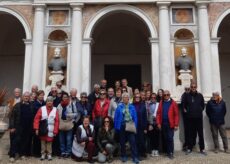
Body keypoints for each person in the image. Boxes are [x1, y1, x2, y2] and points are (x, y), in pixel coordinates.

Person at [114, 92, 139, 164]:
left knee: (133, 142)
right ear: (122, 98)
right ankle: (123, 156)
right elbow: (116, 117)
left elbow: (135, 117)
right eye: (124, 97)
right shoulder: (119, 107)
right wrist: (116, 127)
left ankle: (135, 157)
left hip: (130, 125)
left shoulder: (132, 107)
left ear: (128, 98)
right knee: (122, 142)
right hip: (122, 126)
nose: (125, 98)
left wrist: (135, 126)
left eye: (126, 97)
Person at [9, 92, 34, 162]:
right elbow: (12, 117)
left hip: (28, 127)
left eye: (28, 96)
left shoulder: (31, 105)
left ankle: (22, 154)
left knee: (24, 142)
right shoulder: (17, 105)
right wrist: (12, 127)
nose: (26, 97)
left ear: (29, 97)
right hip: (18, 127)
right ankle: (12, 155)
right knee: (15, 141)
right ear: (22, 97)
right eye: (25, 96)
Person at [182, 83, 206, 155]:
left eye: (194, 87)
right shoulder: (187, 95)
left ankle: (202, 149)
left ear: (196, 87)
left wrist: (199, 110)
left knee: (200, 134)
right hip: (190, 118)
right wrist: (186, 110)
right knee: (190, 134)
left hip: (198, 117)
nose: (193, 88)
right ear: (190, 87)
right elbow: (184, 105)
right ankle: (189, 148)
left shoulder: (200, 95)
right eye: (192, 87)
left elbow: (202, 105)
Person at [34, 96, 59, 161]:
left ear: (52, 102)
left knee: (49, 143)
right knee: (43, 142)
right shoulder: (41, 109)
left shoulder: (55, 109)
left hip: (51, 129)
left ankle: (49, 154)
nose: (49, 102)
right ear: (46, 102)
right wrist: (36, 128)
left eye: (51, 101)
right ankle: (43, 154)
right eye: (48, 101)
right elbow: (36, 119)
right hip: (42, 129)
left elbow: (57, 121)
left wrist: (55, 131)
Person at [156, 90, 179, 159]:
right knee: (166, 138)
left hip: (170, 124)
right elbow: (158, 113)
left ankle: (171, 152)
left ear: (169, 95)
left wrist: (176, 124)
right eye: (165, 95)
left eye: (167, 95)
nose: (166, 96)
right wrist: (158, 123)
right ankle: (168, 152)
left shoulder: (173, 103)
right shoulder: (161, 102)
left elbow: (176, 115)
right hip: (163, 123)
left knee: (170, 138)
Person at [57, 93, 75, 158]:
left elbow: (76, 114)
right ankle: (63, 152)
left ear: (68, 97)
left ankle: (68, 152)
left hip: (69, 124)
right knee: (61, 140)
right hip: (61, 124)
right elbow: (57, 114)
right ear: (62, 98)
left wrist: (69, 115)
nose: (65, 98)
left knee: (68, 139)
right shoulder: (59, 105)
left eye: (66, 97)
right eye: (63, 97)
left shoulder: (72, 104)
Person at [7, 88, 21, 162]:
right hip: (12, 121)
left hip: (19, 122)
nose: (17, 93)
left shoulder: (22, 100)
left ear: (20, 93)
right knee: (12, 137)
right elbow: (8, 112)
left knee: (18, 138)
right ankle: (11, 152)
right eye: (15, 92)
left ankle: (17, 151)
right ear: (14, 93)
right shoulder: (10, 101)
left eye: (18, 92)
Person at [133, 93, 148, 159]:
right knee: (135, 141)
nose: (137, 98)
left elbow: (145, 117)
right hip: (134, 126)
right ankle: (137, 154)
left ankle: (142, 152)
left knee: (141, 141)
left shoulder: (143, 106)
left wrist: (145, 128)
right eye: (136, 97)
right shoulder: (131, 106)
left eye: (138, 97)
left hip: (141, 126)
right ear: (134, 98)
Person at [32, 90, 46, 157]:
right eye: (40, 95)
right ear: (37, 96)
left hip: (43, 123)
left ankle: (42, 152)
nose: (41, 96)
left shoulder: (45, 103)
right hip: (37, 123)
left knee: (42, 138)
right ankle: (36, 152)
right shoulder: (34, 103)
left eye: (43, 95)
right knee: (36, 138)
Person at [180, 86, 190, 151]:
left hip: (192, 115)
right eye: (186, 89)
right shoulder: (183, 95)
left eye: (188, 89)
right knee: (187, 130)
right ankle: (186, 144)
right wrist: (184, 109)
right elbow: (182, 105)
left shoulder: (192, 95)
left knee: (192, 131)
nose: (187, 90)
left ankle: (191, 144)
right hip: (186, 116)